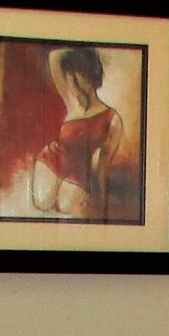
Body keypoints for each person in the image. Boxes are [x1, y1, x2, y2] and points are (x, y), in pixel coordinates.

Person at [28, 45, 124, 220]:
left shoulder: (113, 118)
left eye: (78, 78)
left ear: (92, 78)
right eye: (69, 77)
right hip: (54, 158)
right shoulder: (71, 102)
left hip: (81, 171)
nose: (72, 83)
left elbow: (103, 162)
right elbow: (54, 56)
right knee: (42, 202)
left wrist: (100, 195)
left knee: (65, 207)